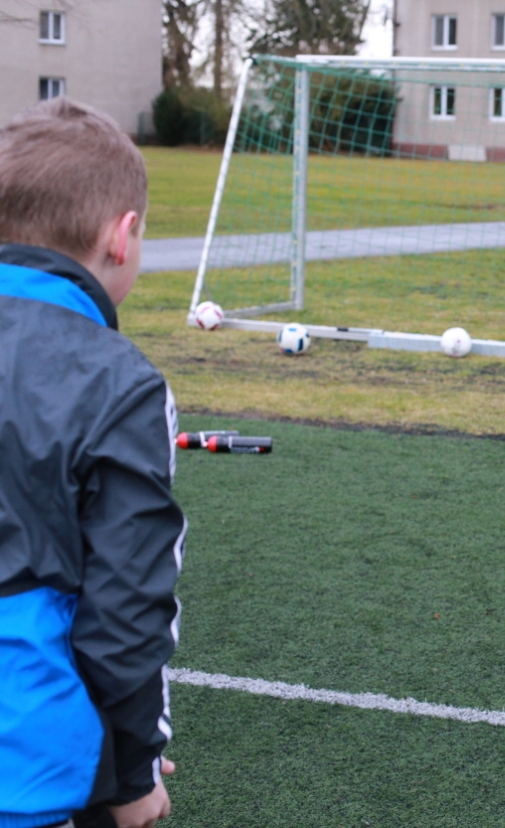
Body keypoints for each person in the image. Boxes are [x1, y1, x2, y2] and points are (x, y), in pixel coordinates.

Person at [0, 99, 184, 828]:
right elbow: (127, 610)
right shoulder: (121, 383)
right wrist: (131, 771)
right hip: (25, 767)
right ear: (123, 236)